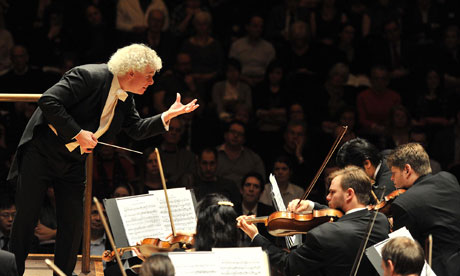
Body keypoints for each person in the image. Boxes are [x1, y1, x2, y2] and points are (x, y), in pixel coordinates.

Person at [7, 43, 199, 276]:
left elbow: (136, 129)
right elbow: (48, 101)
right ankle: (12, 272)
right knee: (26, 217)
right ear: (131, 72)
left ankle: (62, 274)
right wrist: (77, 133)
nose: (151, 82)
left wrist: (166, 116)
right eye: (148, 77)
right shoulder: (88, 75)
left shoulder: (126, 96)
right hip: (41, 152)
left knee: (74, 222)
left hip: (74, 160)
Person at [237, 166, 390, 276]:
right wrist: (312, 206)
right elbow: (345, 218)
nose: (327, 197)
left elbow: (288, 264)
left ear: (349, 194)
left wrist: (256, 236)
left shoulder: (324, 234)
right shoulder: (380, 221)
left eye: (332, 192)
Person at [386, 143, 460, 276]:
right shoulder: (448, 178)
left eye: (393, 173)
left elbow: (406, 254)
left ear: (407, 170)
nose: (392, 178)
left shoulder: (403, 203)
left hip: (437, 270)